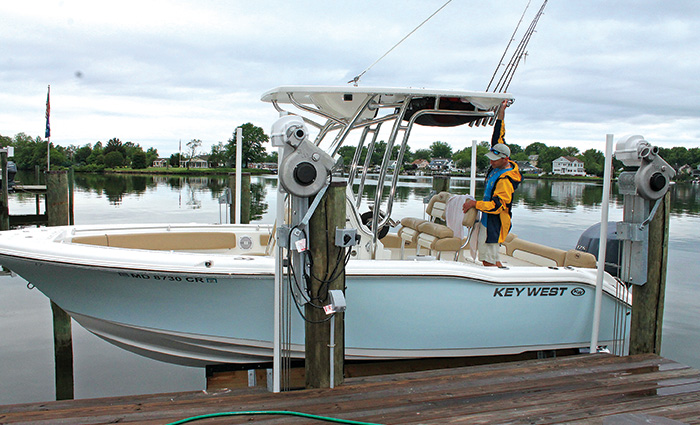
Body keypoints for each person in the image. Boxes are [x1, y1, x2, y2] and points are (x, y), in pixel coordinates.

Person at [462, 101, 522, 267]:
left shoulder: (506, 180)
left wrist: (475, 204)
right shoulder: (498, 159)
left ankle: (495, 278)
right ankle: (498, 269)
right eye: (490, 158)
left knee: (488, 258)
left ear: (505, 159)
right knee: (491, 255)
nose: (491, 162)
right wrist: (501, 112)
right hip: (487, 218)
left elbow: (498, 206)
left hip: (495, 222)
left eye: (495, 160)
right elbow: (498, 133)